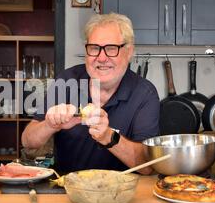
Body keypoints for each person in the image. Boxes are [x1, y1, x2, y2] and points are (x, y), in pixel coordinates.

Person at [21, 13, 160, 174]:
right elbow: (27, 141)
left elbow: (148, 167)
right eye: (94, 48)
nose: (101, 58)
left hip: (122, 193)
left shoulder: (144, 94)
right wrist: (49, 125)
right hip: (68, 190)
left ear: (129, 52)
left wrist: (108, 137)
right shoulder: (66, 81)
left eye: (111, 49)